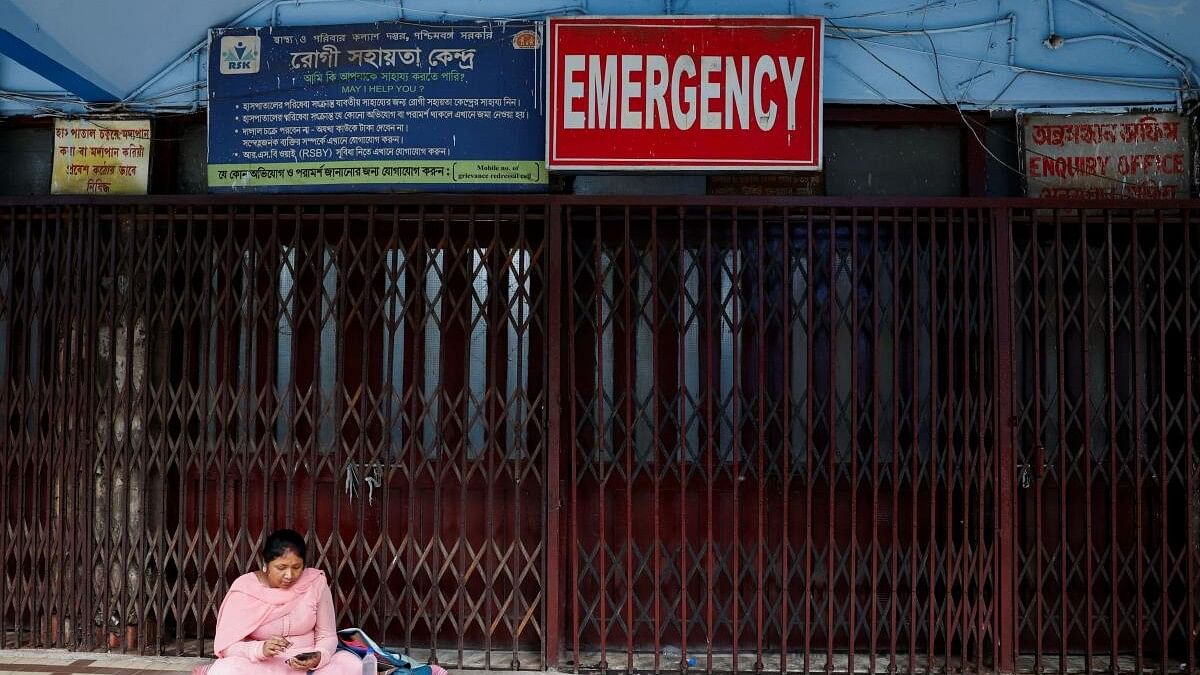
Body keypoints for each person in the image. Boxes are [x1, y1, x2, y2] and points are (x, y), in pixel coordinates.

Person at [200, 528, 363, 674]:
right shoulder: (245, 589)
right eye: (281, 567)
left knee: (353, 665)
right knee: (224, 671)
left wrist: (319, 656)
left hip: (307, 666)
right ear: (266, 564)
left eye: (297, 567)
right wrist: (260, 649)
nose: (289, 575)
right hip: (262, 664)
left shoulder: (315, 583)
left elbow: (327, 636)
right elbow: (228, 647)